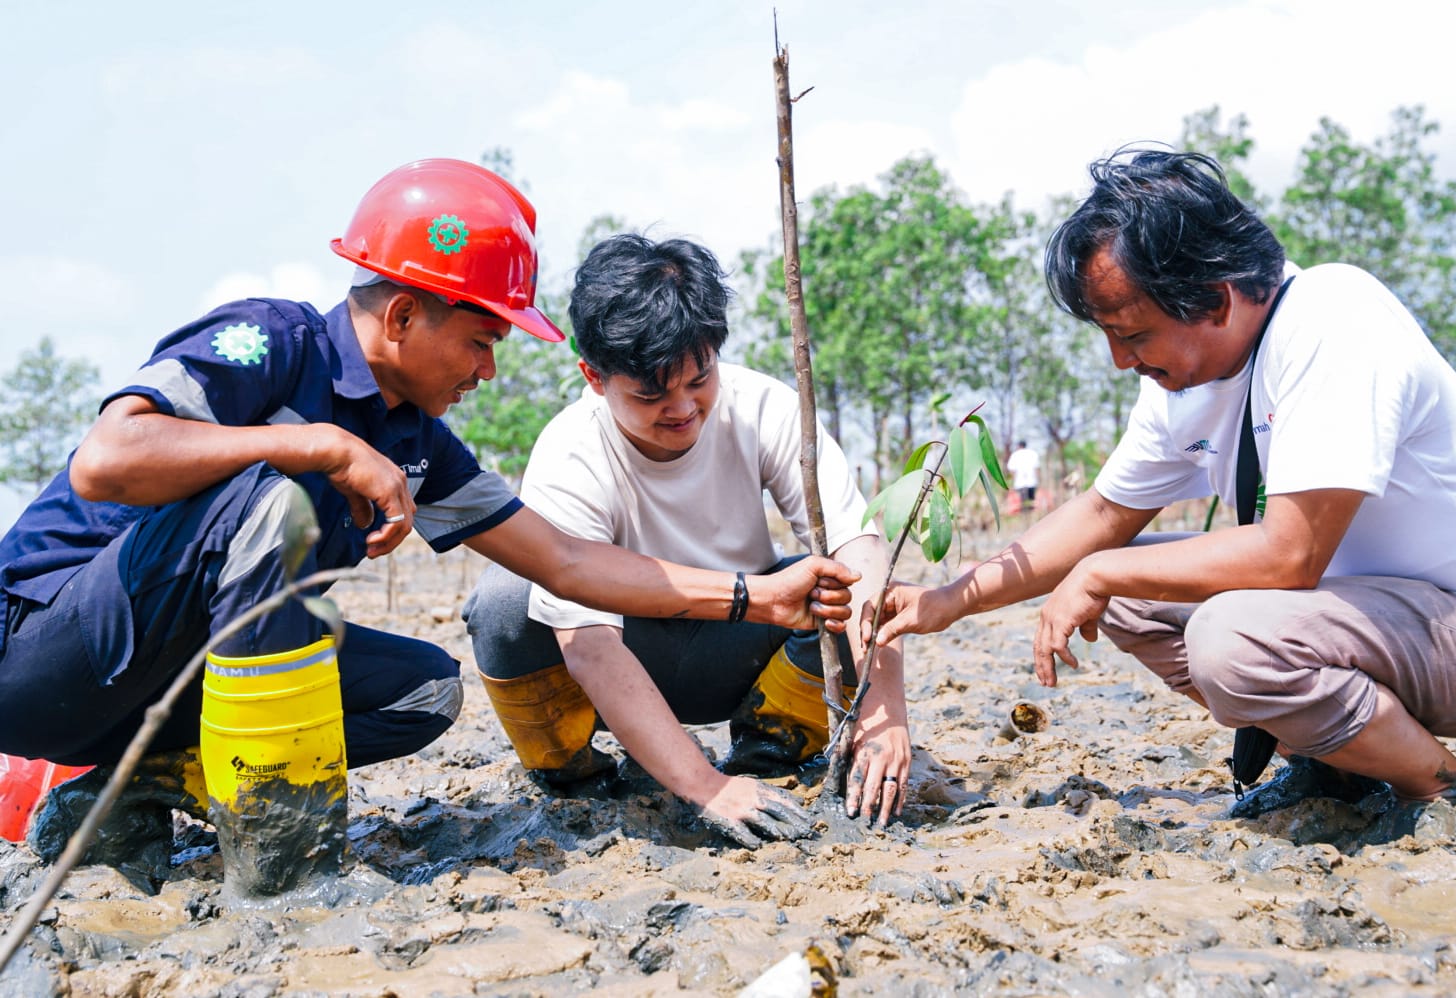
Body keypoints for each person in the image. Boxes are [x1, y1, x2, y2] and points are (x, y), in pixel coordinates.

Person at [0, 159, 856, 870]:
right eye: (481, 341)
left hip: (161, 692)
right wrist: (316, 447)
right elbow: (109, 459)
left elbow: (565, 564)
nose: (486, 371)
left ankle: (130, 787)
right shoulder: (271, 343)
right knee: (271, 498)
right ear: (404, 314)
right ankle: (279, 864)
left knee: (420, 691)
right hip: (44, 650)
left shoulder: (417, 442)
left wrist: (754, 596)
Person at [869, 148, 1456, 831]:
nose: (1118, 360)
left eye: (1131, 334)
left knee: (1230, 637)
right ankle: (1340, 766)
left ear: (1215, 299)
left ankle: (1441, 792)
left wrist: (1102, 570)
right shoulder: (1181, 382)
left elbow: (1291, 556)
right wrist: (947, 601)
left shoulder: (1330, 318)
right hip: (1375, 623)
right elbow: (1103, 513)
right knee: (1133, 594)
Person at [462, 233, 911, 840]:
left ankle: (768, 754)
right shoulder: (569, 453)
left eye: (699, 380)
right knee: (507, 598)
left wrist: (885, 711)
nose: (682, 408)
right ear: (594, 376)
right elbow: (589, 644)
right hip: (619, 660)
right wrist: (705, 786)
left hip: (743, 651)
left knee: (839, 583)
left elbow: (860, 549)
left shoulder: (766, 408)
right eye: (650, 394)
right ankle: (573, 774)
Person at [1007, 440, 1040, 513]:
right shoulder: (1033, 454)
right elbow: (1037, 468)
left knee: (1023, 504)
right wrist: (1038, 480)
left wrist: (1011, 482)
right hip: (1032, 482)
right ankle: (1032, 519)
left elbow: (1012, 470)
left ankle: (1025, 519)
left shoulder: (1015, 455)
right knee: (1031, 503)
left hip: (1020, 483)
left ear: (1019, 446)